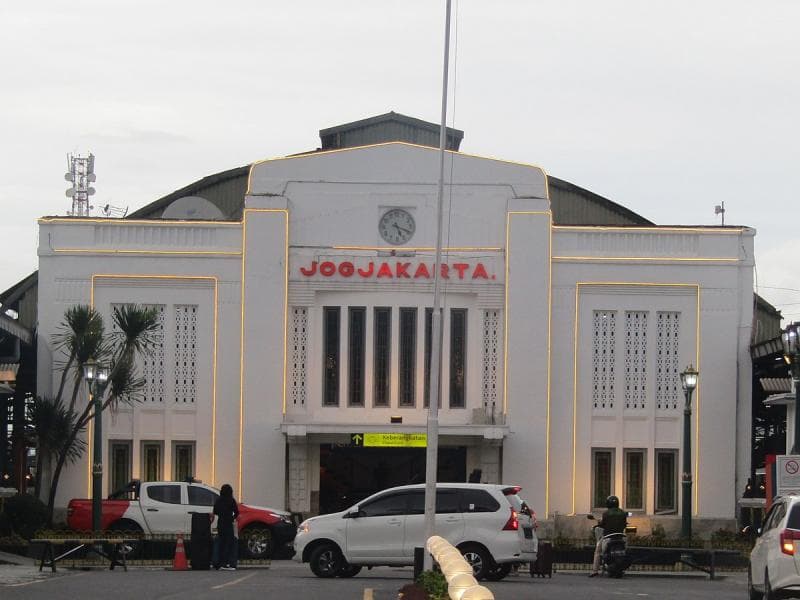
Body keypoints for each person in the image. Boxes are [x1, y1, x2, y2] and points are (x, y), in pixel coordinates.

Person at [589, 495, 627, 577]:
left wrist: (598, 525)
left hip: (608, 536)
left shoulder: (606, 513)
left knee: (598, 551)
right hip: (620, 537)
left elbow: (603, 524)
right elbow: (624, 524)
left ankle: (595, 571)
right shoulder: (622, 512)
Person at [213, 483, 240, 571]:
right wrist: (232, 517)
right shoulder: (231, 500)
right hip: (228, 523)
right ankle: (227, 562)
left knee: (221, 543)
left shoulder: (218, 500)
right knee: (229, 543)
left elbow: (215, 511)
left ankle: (219, 563)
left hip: (220, 523)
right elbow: (237, 512)